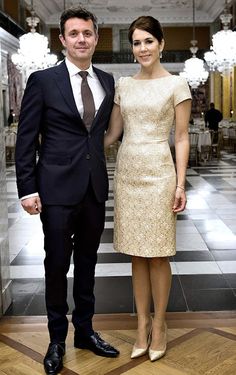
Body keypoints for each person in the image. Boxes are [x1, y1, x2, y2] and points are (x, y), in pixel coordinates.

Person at [15, 6, 119, 375]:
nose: (81, 39)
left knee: (89, 265)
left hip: (93, 188)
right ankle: (56, 338)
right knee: (57, 266)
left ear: (95, 37)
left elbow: (104, 133)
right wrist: (27, 188)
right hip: (55, 189)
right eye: (73, 33)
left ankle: (85, 331)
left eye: (87, 33)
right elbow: (26, 139)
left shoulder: (107, 80)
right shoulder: (43, 80)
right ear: (62, 40)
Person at [105, 16, 191, 362]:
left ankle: (161, 322)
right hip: (128, 172)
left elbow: (182, 138)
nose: (142, 48)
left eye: (148, 41)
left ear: (161, 44)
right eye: (136, 43)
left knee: (158, 253)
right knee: (136, 254)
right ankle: (141, 325)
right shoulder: (123, 85)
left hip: (159, 172)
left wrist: (180, 183)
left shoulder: (177, 85)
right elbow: (111, 135)